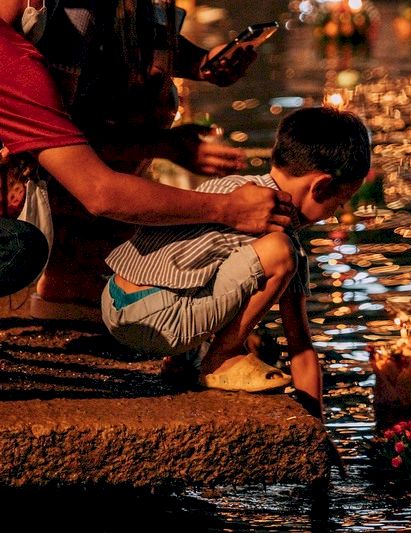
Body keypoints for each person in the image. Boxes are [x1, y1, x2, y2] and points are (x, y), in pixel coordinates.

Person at [0, 0, 290, 302]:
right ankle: (71, 273)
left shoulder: (20, 51)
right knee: (20, 248)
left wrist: (199, 62)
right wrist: (229, 209)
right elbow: (98, 190)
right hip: (66, 177)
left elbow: (128, 36)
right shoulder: (18, 62)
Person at [100, 107, 371, 415]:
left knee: (213, 268)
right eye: (339, 202)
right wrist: (317, 424)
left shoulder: (231, 189)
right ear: (319, 186)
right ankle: (221, 358)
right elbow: (301, 346)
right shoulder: (282, 234)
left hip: (113, 302)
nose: (334, 214)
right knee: (279, 253)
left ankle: (183, 360)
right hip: (158, 321)